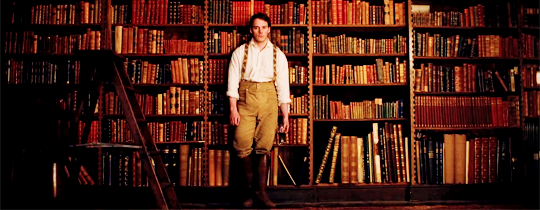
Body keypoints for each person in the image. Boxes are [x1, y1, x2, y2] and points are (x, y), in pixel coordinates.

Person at [226, 13, 291, 208]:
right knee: (242, 144)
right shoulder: (240, 52)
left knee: (263, 146)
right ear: (251, 30)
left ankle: (260, 193)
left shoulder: (278, 55)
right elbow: (232, 83)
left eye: (264, 27)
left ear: (269, 29)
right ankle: (249, 191)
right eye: (256, 27)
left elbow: (283, 87)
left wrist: (285, 115)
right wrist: (233, 109)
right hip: (245, 101)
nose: (260, 31)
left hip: (269, 100)